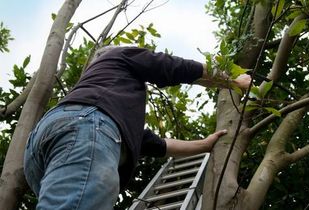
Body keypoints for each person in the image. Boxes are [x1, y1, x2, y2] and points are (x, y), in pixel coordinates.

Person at [23, 46, 251, 210]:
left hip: (41, 148)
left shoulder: (110, 104)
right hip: (86, 128)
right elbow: (171, 66)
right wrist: (232, 81)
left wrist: (204, 145)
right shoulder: (118, 54)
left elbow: (157, 145)